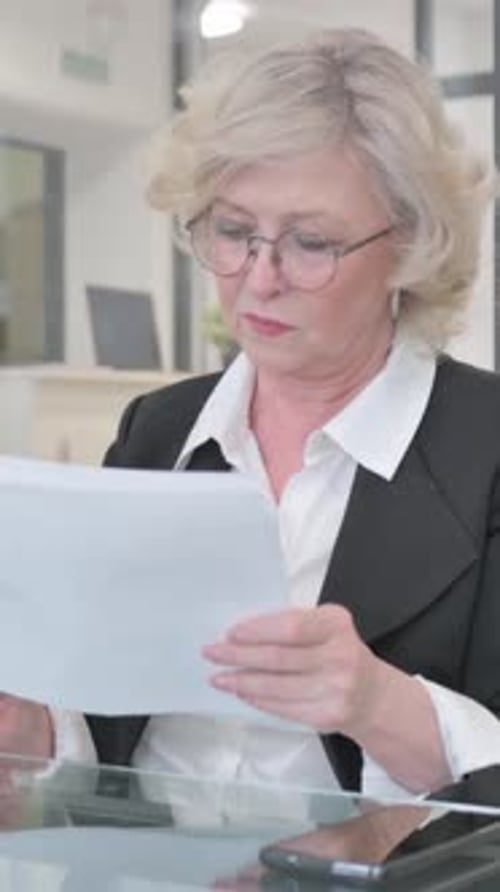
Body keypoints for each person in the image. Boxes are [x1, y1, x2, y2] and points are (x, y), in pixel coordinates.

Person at [3, 27, 500, 800]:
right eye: (233, 232)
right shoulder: (158, 431)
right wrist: (35, 731)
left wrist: (376, 701)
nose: (258, 279)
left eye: (310, 242)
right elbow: (106, 726)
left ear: (409, 247)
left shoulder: (485, 447)